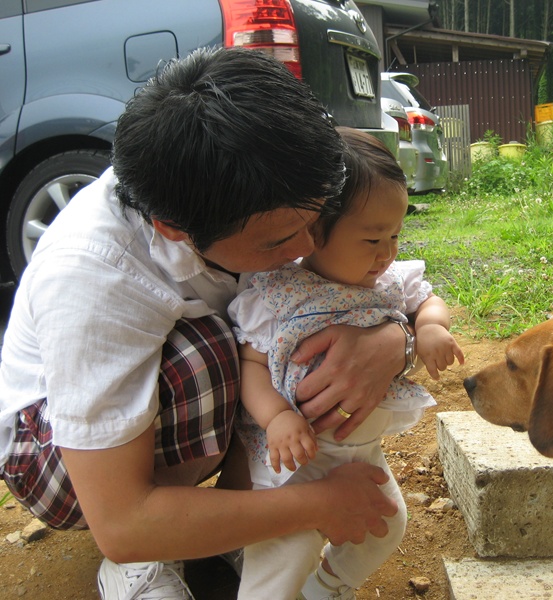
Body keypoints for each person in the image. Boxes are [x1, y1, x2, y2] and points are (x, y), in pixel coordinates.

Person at [0, 47, 408, 600]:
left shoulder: (254, 176)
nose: (306, 249)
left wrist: (393, 340)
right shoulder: (94, 278)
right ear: (173, 228)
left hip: (163, 414)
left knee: (249, 348)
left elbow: (372, 279)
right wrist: (321, 503)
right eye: (279, 240)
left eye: (317, 221)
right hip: (56, 453)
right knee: (209, 353)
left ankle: (234, 523)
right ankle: (156, 555)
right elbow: (121, 522)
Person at [228, 127, 464, 600]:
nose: (388, 252)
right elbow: (251, 365)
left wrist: (432, 327)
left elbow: (428, 301)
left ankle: (328, 588)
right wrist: (275, 417)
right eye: (373, 238)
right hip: (297, 461)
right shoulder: (279, 293)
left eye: (396, 234)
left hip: (364, 451)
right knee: (286, 552)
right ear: (313, 233)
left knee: (387, 525)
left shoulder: (392, 278)